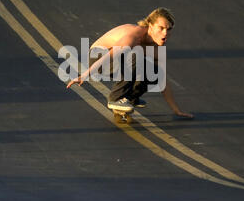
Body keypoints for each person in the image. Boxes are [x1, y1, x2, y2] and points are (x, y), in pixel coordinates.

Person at [66, 7, 194, 119]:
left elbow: (162, 78)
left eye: (169, 29)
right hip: (99, 56)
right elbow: (112, 55)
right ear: (150, 26)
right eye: (161, 28)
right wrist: (85, 75)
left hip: (119, 58)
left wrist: (176, 110)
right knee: (135, 55)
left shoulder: (157, 49)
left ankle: (130, 98)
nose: (165, 33)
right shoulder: (134, 36)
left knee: (155, 71)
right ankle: (116, 98)